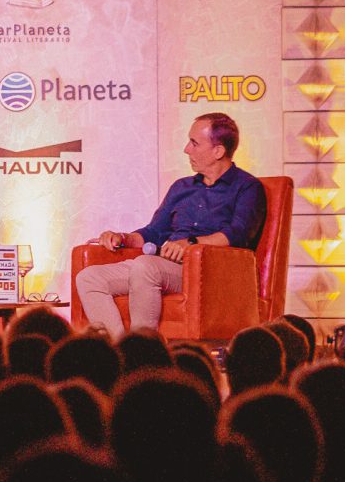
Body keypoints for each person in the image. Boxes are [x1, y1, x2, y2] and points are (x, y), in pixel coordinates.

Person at [75, 113, 266, 339]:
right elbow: (155, 232)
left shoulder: (247, 187)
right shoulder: (181, 187)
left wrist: (190, 244)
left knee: (145, 266)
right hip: (167, 266)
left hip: (212, 272)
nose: (186, 149)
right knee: (89, 277)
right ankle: (120, 350)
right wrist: (123, 238)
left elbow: (238, 234)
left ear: (218, 151)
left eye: (194, 143)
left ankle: (145, 350)